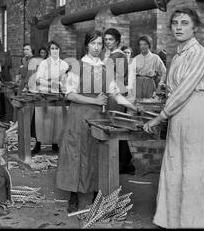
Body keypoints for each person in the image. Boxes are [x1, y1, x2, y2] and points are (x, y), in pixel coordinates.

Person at [143, 8, 204, 228]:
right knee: (177, 166)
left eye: (184, 23)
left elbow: (184, 90)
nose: (178, 26)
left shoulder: (198, 53)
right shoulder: (178, 54)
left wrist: (159, 118)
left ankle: (196, 223)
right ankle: (176, 220)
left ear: (195, 27)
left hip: (196, 113)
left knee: (196, 170)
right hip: (179, 114)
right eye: (175, 22)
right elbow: (170, 87)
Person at [56, 30, 139, 213]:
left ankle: (94, 193)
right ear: (87, 45)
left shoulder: (105, 69)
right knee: (76, 154)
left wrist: (135, 108)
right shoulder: (77, 66)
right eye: (93, 43)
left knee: (95, 154)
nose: (96, 47)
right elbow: (69, 94)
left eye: (100, 44)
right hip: (78, 116)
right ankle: (74, 196)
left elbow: (116, 95)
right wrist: (94, 100)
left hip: (97, 118)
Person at [103, 28, 135, 175]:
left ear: (117, 40)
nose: (107, 41)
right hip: (110, 93)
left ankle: (123, 163)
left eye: (110, 39)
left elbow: (120, 79)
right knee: (114, 127)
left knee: (116, 128)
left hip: (115, 95)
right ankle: (124, 161)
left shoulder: (118, 56)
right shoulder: (111, 55)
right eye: (106, 39)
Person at [34, 40, 69, 154]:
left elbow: (66, 80)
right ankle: (38, 143)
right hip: (45, 94)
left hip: (58, 95)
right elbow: (38, 79)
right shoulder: (44, 64)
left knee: (58, 120)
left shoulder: (64, 64)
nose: (55, 50)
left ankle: (55, 144)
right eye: (52, 48)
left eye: (57, 48)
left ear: (60, 50)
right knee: (42, 120)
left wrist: (62, 85)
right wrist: (51, 83)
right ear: (49, 51)